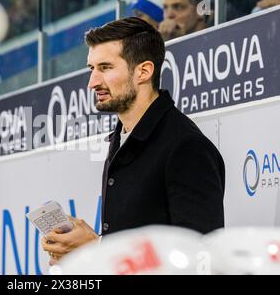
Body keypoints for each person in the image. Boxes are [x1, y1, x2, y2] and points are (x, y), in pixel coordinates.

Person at [42, 17, 225, 265]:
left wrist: (96, 247)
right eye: (91, 69)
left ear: (144, 71)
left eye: (105, 68)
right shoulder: (121, 138)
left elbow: (200, 258)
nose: (92, 82)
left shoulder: (186, 146)